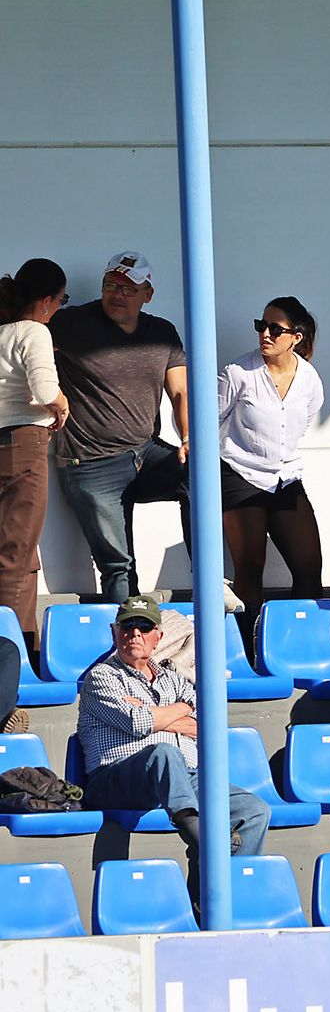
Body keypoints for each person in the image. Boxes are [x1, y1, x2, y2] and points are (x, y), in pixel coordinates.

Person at [77, 595, 270, 909]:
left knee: (254, 809)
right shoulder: (102, 677)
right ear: (115, 633)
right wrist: (181, 712)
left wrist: (162, 714)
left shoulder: (174, 679)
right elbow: (138, 722)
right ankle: (206, 841)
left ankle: (211, 905)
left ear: (158, 637)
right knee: (164, 753)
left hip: (183, 777)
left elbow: (208, 727)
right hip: (118, 777)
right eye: (127, 626)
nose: (134, 634)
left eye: (144, 626)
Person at [52, 252, 189, 603]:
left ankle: (206, 575)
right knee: (118, 566)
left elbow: (180, 392)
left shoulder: (161, 332)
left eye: (129, 289)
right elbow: (25, 346)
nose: (117, 294)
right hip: (91, 464)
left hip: (144, 453)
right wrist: (50, 394)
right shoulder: (70, 324)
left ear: (148, 294)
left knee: (204, 476)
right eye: (110, 285)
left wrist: (189, 437)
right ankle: (127, 645)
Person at [217, 298, 324, 625]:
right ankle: (249, 656)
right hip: (240, 475)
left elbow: (304, 422)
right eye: (260, 325)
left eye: (275, 329)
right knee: (249, 569)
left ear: (296, 337)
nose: (265, 333)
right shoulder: (238, 372)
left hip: (286, 479)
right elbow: (210, 421)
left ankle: (299, 646)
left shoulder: (309, 378)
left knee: (308, 567)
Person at [0, 259, 69, 657]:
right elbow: (45, 388)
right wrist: (62, 405)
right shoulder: (34, 332)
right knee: (15, 556)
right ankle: (7, 660)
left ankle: (25, 649)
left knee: (24, 554)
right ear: (45, 301)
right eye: (61, 300)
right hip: (26, 443)